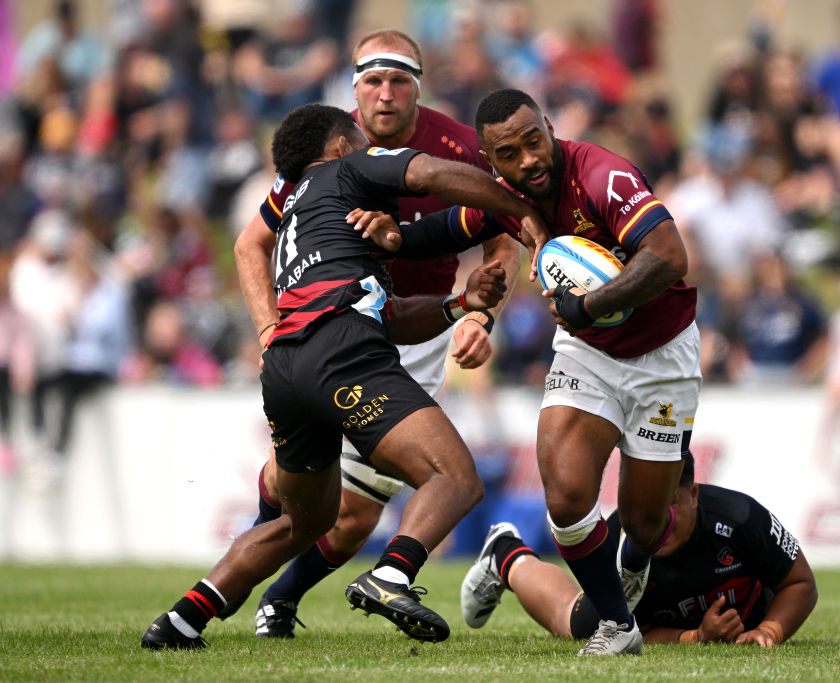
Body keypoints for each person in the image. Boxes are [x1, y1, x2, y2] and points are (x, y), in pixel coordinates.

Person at [140, 103, 545, 650]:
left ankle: (181, 620)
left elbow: (389, 315)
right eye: (359, 138)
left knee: (303, 523)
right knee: (455, 477)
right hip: (341, 353)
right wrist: (519, 208)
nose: (368, 145)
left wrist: (458, 303)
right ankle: (392, 575)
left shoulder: (297, 222)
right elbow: (427, 174)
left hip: (286, 368)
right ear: (337, 146)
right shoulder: (348, 168)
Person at [364, 88, 700, 656]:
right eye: (508, 154)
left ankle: (629, 560)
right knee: (567, 497)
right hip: (586, 355)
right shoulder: (505, 197)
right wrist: (392, 235)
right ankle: (618, 627)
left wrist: (588, 305)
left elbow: (669, 257)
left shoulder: (602, 175)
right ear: (489, 161)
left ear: (548, 127)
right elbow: (444, 229)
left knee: (645, 524)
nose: (528, 161)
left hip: (663, 356)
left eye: (533, 142)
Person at [224, 29, 523, 639]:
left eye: (399, 82)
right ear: (354, 88)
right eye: (372, 82)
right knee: (292, 483)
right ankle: (241, 572)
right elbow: (249, 243)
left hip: (415, 334)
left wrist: (479, 313)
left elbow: (503, 232)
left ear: (418, 87)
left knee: (355, 516)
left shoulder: (458, 146)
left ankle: (276, 601)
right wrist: (267, 329)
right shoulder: (324, 152)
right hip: (330, 328)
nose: (385, 95)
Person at [460, 451, 817, 647]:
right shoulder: (621, 538)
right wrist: (695, 637)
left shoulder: (740, 518)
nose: (655, 521)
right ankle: (506, 554)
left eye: (669, 504)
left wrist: (770, 630)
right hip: (652, 610)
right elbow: (634, 631)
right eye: (646, 505)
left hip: (749, 612)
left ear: (694, 494)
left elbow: (800, 583)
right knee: (576, 622)